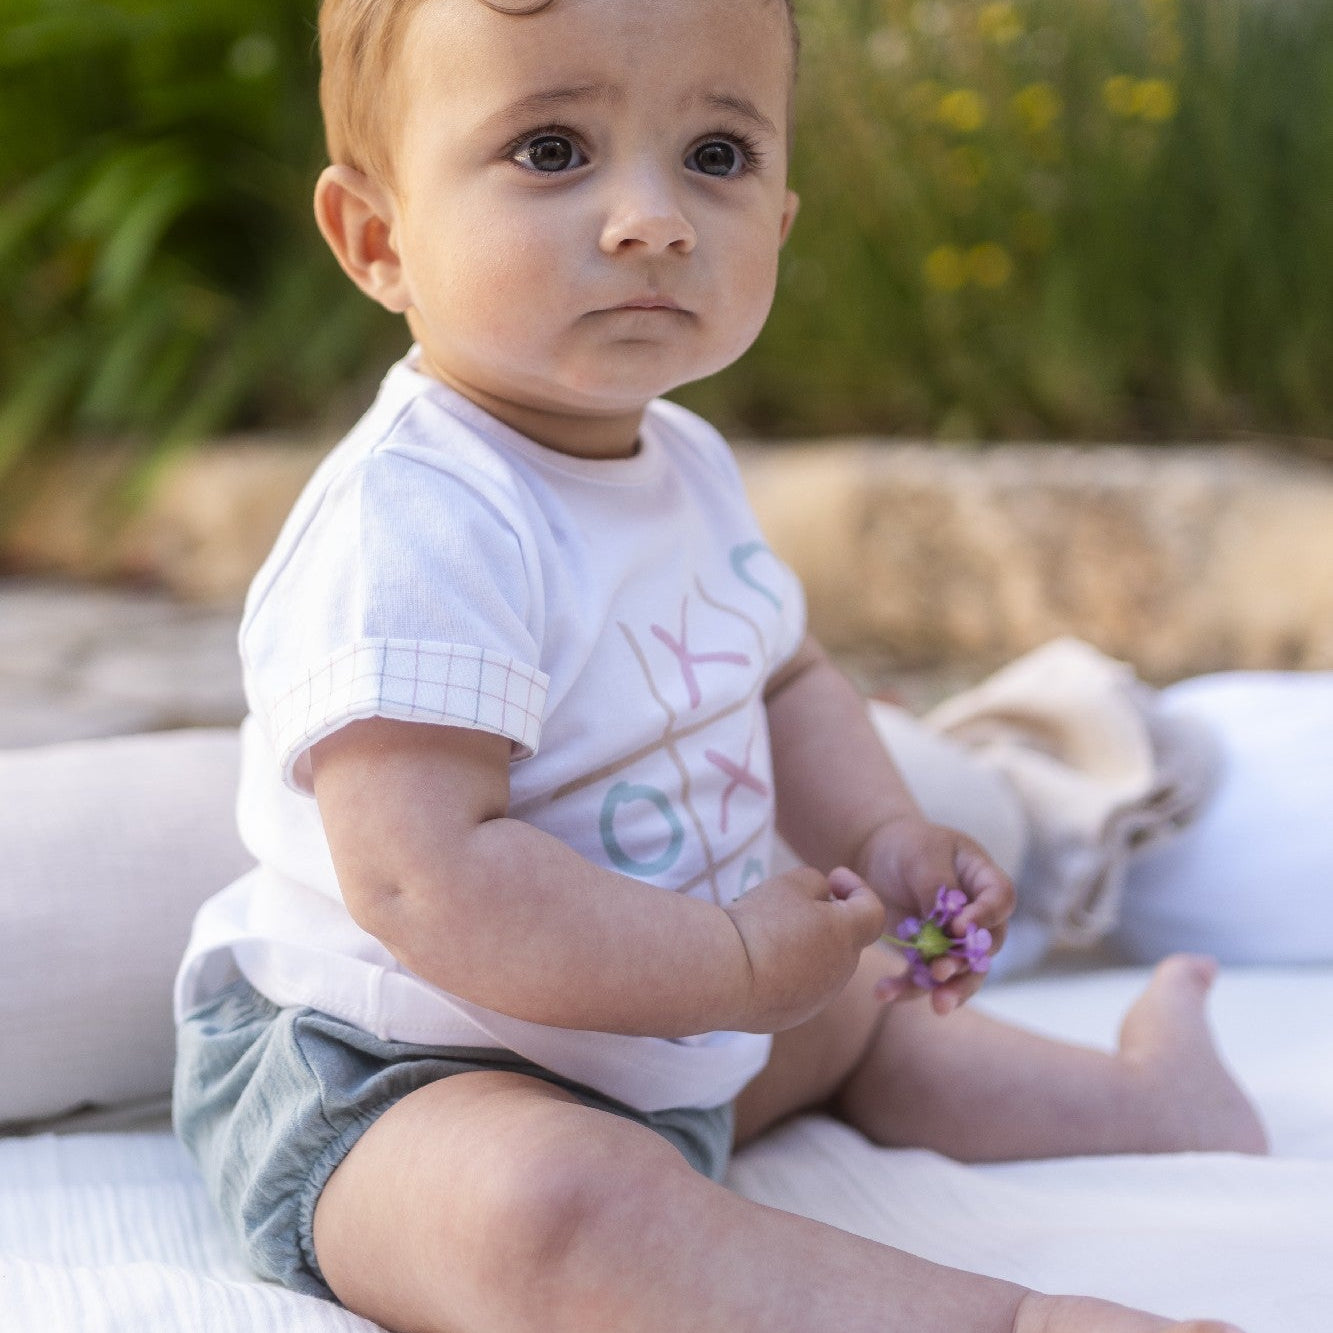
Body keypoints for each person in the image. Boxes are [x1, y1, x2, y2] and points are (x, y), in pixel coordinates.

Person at [171, 1, 1266, 1329]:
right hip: (389, 1073)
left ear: (783, 222)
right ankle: (1002, 1316)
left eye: (717, 157)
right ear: (378, 238)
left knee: (857, 991)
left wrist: (882, 831)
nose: (654, 218)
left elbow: (785, 677)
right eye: (554, 150)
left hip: (665, 1028)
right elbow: (421, 876)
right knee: (549, 1208)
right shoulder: (419, 516)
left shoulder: (685, 464)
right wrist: (732, 961)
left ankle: (1140, 1105)